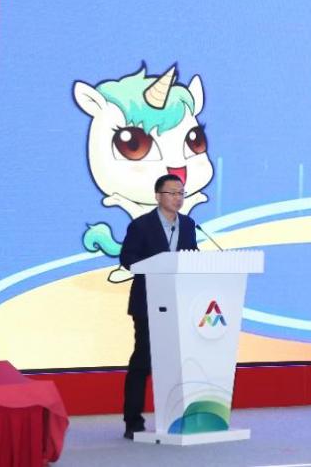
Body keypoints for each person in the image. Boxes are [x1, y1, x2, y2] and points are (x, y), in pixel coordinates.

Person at [118, 173, 198, 439]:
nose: (178, 198)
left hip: (179, 303)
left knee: (178, 363)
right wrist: (157, 265)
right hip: (148, 302)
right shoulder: (141, 225)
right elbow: (127, 259)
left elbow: (191, 255)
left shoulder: (188, 224)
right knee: (143, 361)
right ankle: (133, 420)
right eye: (172, 193)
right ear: (157, 196)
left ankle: (175, 417)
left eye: (181, 193)